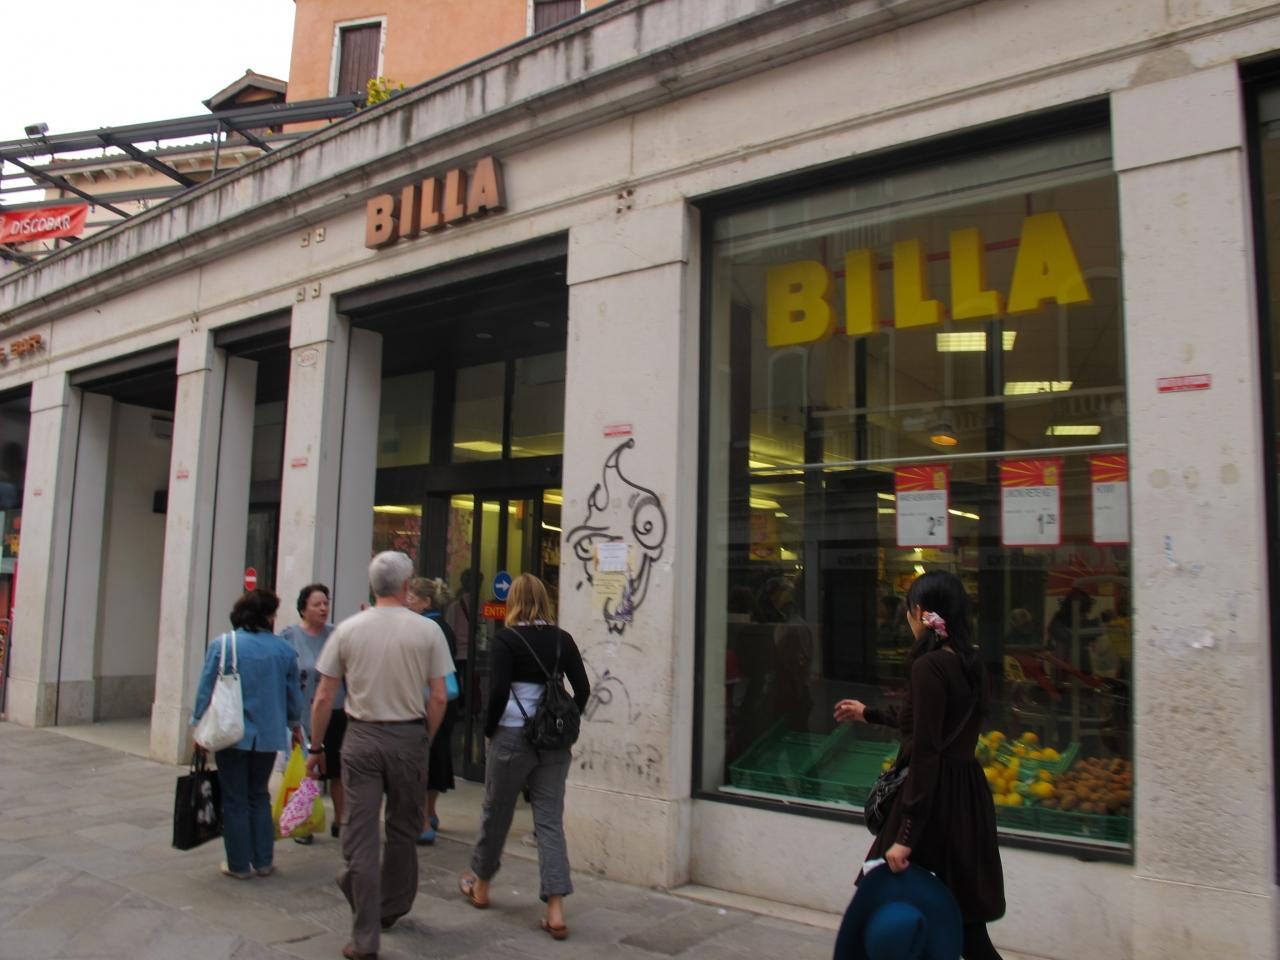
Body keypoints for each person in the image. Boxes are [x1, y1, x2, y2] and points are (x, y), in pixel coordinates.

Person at [833, 571, 1005, 960]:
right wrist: (869, 713)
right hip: (966, 799)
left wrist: (906, 834)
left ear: (921, 612)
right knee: (963, 922)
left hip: (931, 804)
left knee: (888, 908)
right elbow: (928, 722)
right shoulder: (971, 663)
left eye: (909, 610)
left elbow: (926, 749)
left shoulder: (929, 666)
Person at [307, 552, 454, 960]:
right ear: (407, 586)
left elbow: (324, 696)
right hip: (408, 735)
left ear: (373, 586)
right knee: (404, 830)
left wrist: (316, 747)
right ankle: (390, 905)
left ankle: (365, 936)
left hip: (361, 736)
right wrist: (424, 737)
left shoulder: (348, 629)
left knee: (361, 835)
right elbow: (439, 696)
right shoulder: (427, 630)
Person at [457, 573, 590, 941]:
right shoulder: (563, 639)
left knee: (496, 813)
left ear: (513, 601)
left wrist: (488, 731)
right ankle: (556, 909)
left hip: (512, 736)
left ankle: (481, 886)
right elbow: (582, 689)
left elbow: (499, 691)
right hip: (553, 743)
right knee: (549, 821)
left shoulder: (507, 639)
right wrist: (564, 719)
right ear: (545, 601)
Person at [191, 588, 304, 881]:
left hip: (230, 733)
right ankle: (263, 860)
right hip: (268, 735)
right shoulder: (284, 650)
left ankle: (239, 864)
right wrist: (295, 726)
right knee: (259, 795)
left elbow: (205, 688)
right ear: (268, 616)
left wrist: (197, 724)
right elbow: (293, 696)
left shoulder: (223, 644)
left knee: (235, 799)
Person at [281, 583, 344, 844]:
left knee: (338, 770)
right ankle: (304, 824)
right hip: (303, 713)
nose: (323, 608)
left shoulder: (336, 635)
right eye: (316, 604)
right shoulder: (290, 636)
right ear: (303, 608)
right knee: (307, 769)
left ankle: (341, 821)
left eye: (326, 603)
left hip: (336, 710)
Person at [406, 575, 458, 845]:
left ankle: (424, 819)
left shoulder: (425, 627)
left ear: (426, 601)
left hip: (429, 701)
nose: (407, 601)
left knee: (423, 758)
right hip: (445, 700)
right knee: (437, 755)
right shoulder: (444, 626)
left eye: (412, 597)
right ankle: (431, 812)